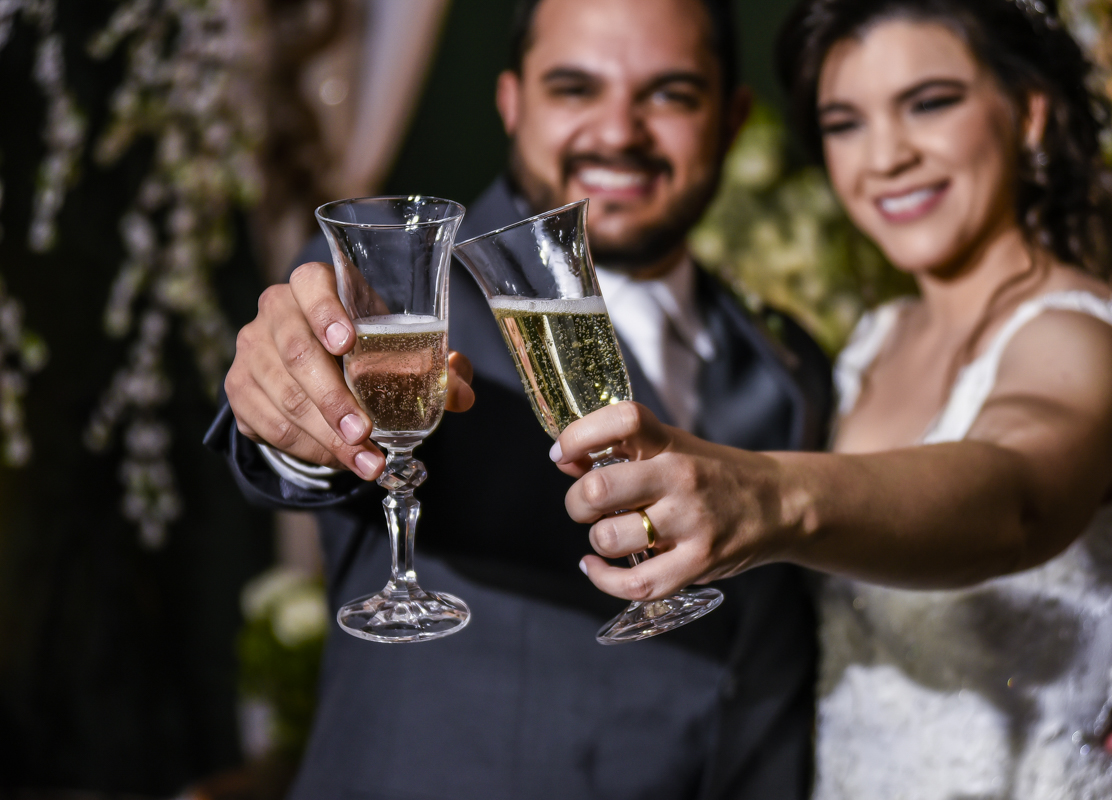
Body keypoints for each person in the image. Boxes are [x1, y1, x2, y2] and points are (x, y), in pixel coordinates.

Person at [550, 0, 1112, 797]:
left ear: (1028, 113)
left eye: (930, 103)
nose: (885, 156)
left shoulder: (1081, 339)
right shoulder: (869, 345)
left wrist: (770, 496)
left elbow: (1015, 501)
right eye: (845, 122)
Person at [208, 0, 833, 797]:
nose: (617, 131)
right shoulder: (391, 296)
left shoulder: (789, 358)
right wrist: (288, 422)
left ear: (733, 117)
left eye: (670, 94)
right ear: (511, 102)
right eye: (575, 88)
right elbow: (293, 432)